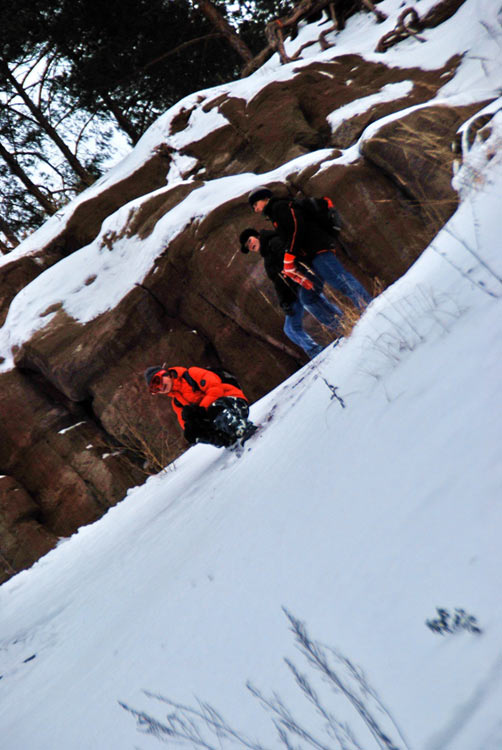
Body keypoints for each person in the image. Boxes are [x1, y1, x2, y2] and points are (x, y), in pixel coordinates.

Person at [248, 186, 372, 309]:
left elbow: (296, 227)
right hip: (310, 256)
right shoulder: (274, 214)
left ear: (265, 198)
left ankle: (369, 308)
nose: (256, 209)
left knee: (340, 280)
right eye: (254, 208)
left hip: (317, 249)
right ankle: (342, 322)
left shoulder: (279, 207)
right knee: (309, 297)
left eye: (256, 204)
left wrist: (290, 255)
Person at [239, 227, 342, 359]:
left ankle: (341, 327)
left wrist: (295, 273)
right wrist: (284, 303)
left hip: (302, 281)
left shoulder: (273, 242)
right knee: (290, 328)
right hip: (292, 294)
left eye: (249, 241)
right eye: (247, 246)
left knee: (313, 302)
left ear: (257, 236)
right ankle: (316, 350)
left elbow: (291, 258)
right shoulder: (266, 257)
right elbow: (278, 283)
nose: (250, 245)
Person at [145, 365, 256, 448]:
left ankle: (243, 428)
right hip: (217, 418)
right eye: (155, 389)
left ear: (165, 373)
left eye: (157, 381)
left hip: (233, 403)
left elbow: (215, 388)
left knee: (213, 409)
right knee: (196, 429)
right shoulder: (177, 403)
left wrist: (201, 409)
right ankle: (228, 440)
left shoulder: (191, 374)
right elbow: (186, 424)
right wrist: (192, 429)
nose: (160, 388)